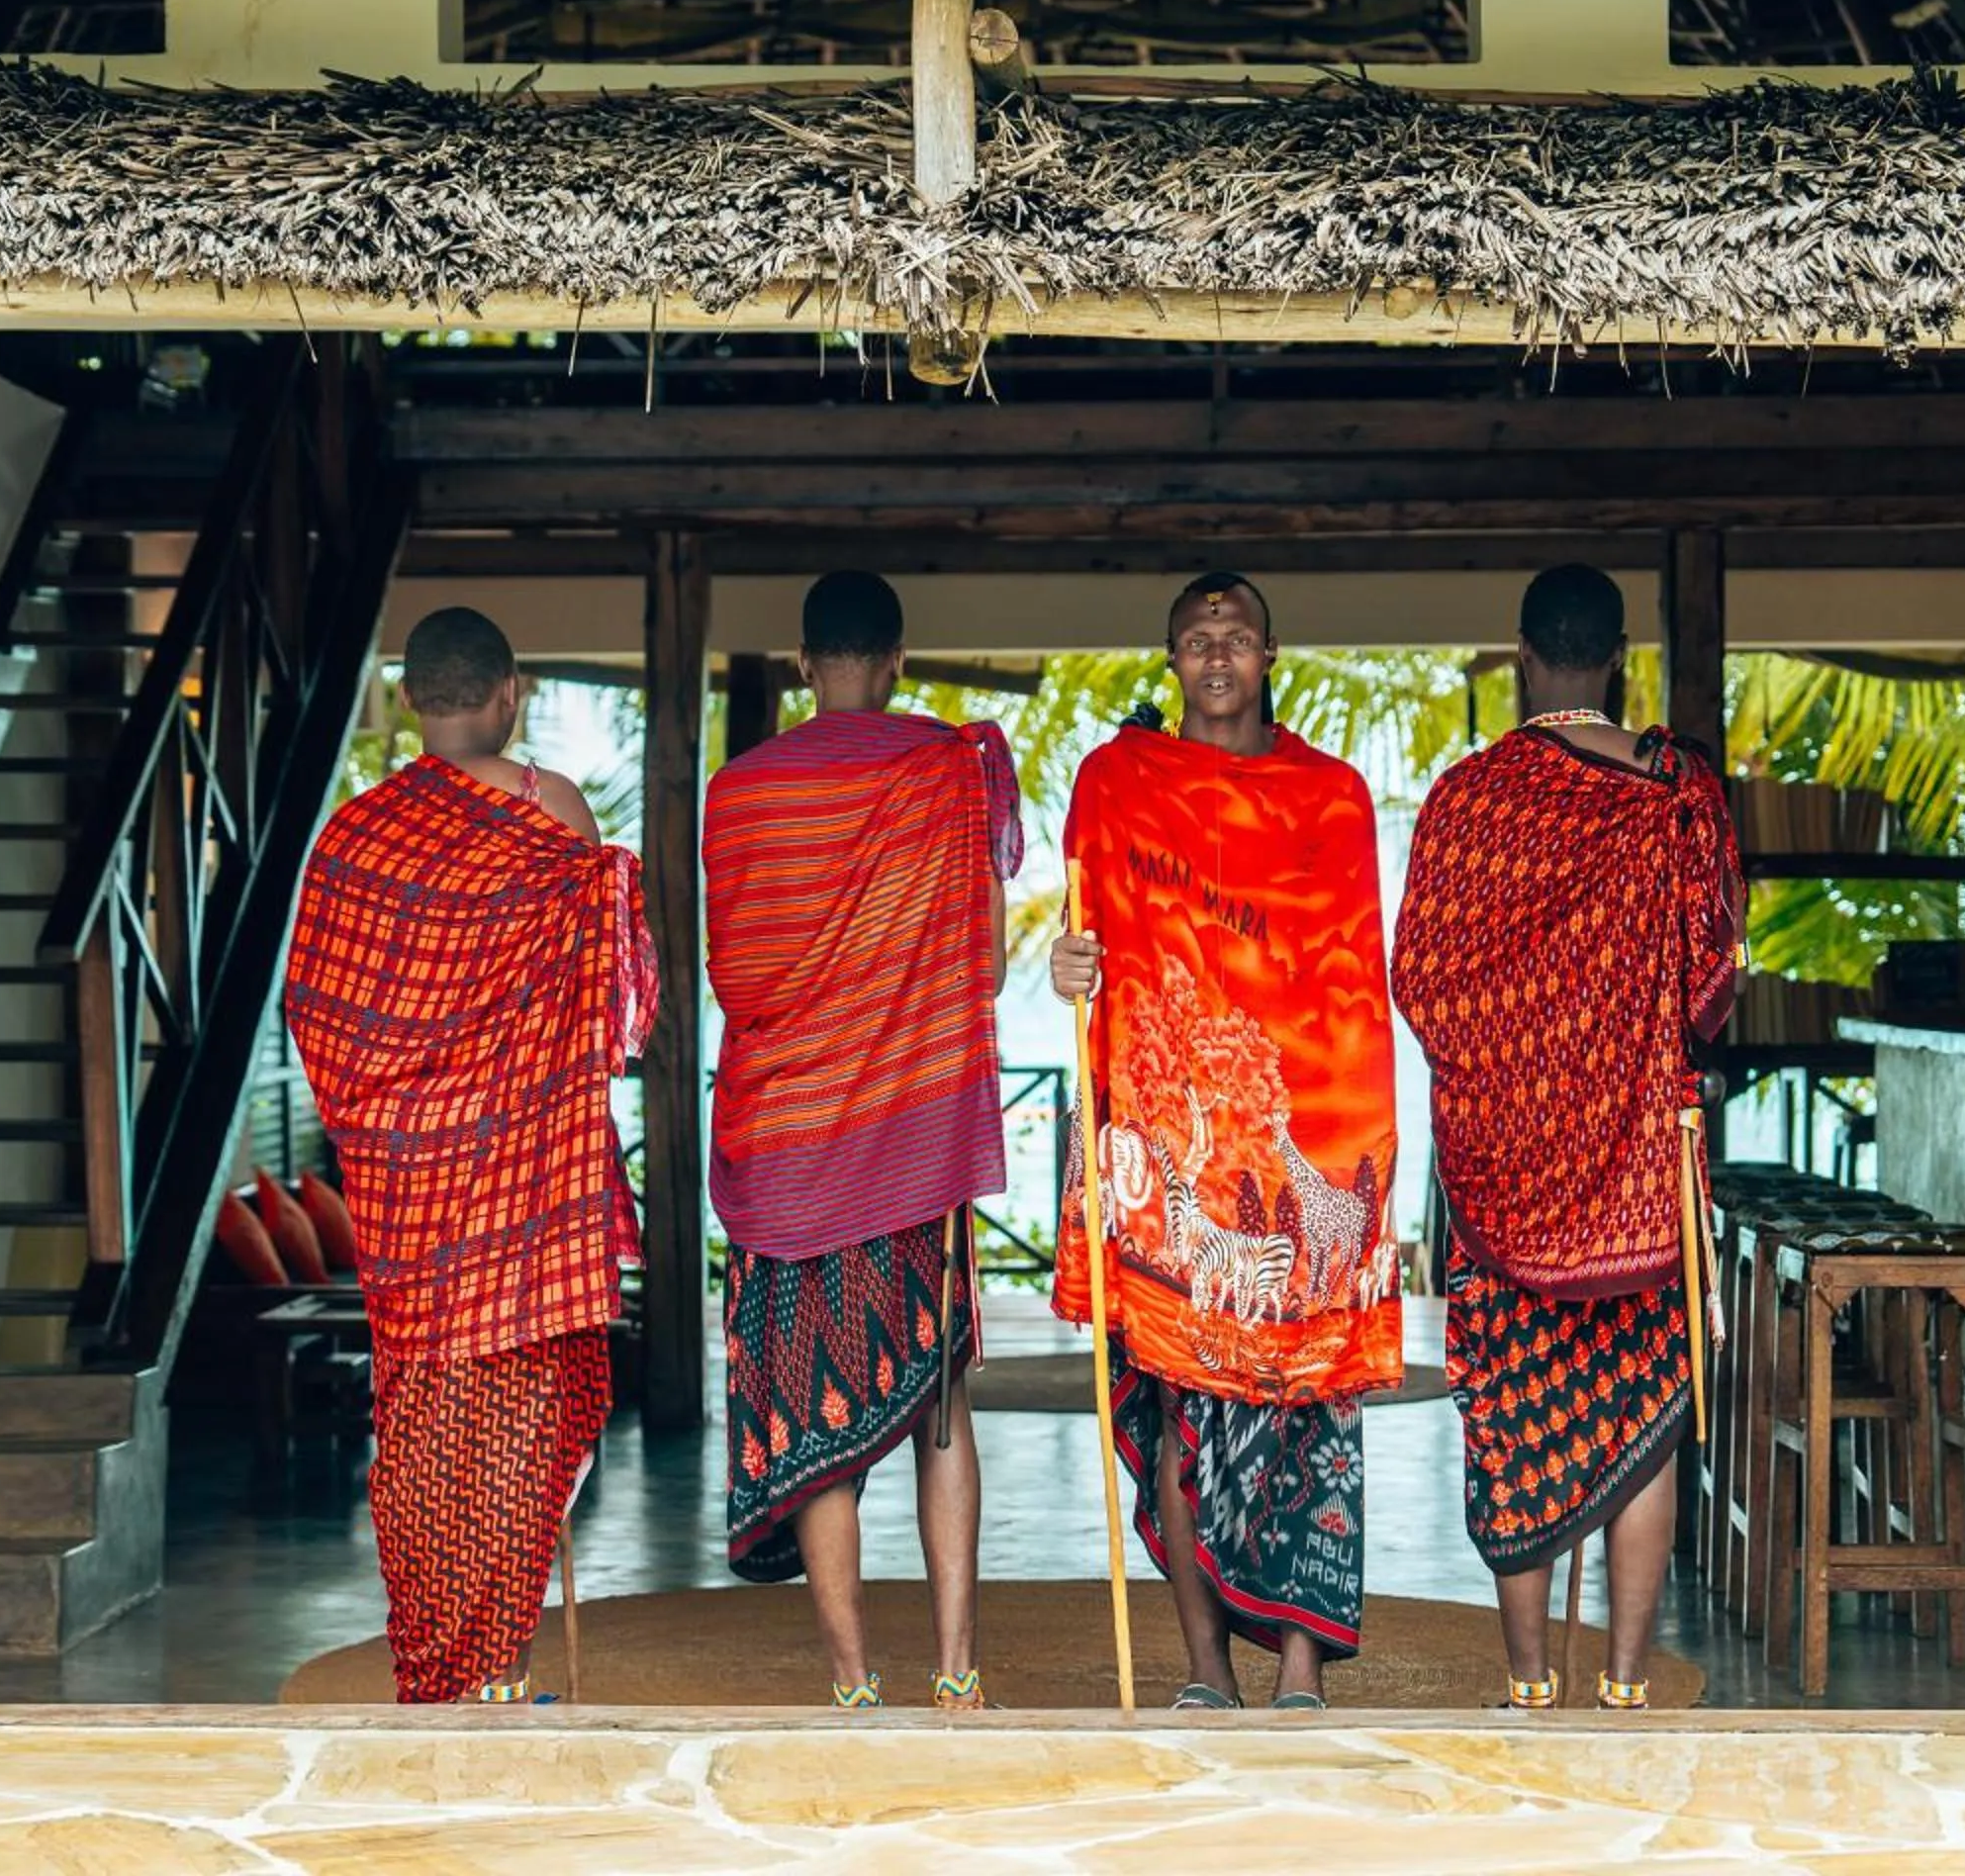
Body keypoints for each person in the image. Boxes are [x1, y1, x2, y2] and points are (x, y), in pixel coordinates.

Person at [284, 607, 655, 1706]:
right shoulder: (550, 810)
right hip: (524, 1186)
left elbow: (319, 1016)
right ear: (511, 692)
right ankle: (503, 1666)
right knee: (522, 1420)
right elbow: (607, 1011)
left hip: (410, 1190)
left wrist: (404, 1123)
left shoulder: (354, 840)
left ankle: (451, 1662)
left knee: (424, 1422)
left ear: (409, 701)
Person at [1047, 572, 1402, 1712]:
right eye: (1197, 637)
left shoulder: (1332, 797)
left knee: (1309, 1416)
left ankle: (1299, 1667)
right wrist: (1068, 966)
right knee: (1176, 1414)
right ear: (1171, 660)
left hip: (1306, 1149)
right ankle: (1206, 1668)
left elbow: (1357, 995)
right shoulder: (1119, 783)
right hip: (1168, 1157)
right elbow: (1087, 935)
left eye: (1236, 635)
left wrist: (1356, 1175)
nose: (1215, 652)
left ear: (1269, 655)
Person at [1390, 564, 1742, 1712]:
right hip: (1642, 1176)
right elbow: (1712, 987)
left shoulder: (1469, 799)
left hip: (1505, 1177)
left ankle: (1532, 1680)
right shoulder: (1676, 793)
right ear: (1622, 659)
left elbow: (1422, 979)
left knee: (1513, 1420)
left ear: (1521, 657)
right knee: (1643, 1427)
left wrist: (1517, 1069)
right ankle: (1629, 1685)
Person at [703, 571, 1021, 1713]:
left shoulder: (740, 793)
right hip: (909, 1148)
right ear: (897, 660)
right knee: (940, 1406)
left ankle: (851, 1681)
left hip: (785, 1152)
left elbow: (735, 973)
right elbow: (985, 966)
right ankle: (957, 1671)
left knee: (813, 1414)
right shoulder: (948, 768)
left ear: (803, 663)